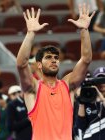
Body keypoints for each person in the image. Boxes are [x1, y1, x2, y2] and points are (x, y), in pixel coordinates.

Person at [16, 4, 95, 140]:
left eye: (56, 58)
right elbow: (21, 64)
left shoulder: (68, 85)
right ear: (39, 65)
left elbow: (86, 59)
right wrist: (30, 34)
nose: (54, 60)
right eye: (48, 57)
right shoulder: (33, 89)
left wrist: (84, 30)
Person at [74, 67, 105, 140]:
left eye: (103, 80)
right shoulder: (87, 100)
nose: (102, 84)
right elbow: (80, 127)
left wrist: (101, 98)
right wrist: (81, 101)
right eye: (99, 81)